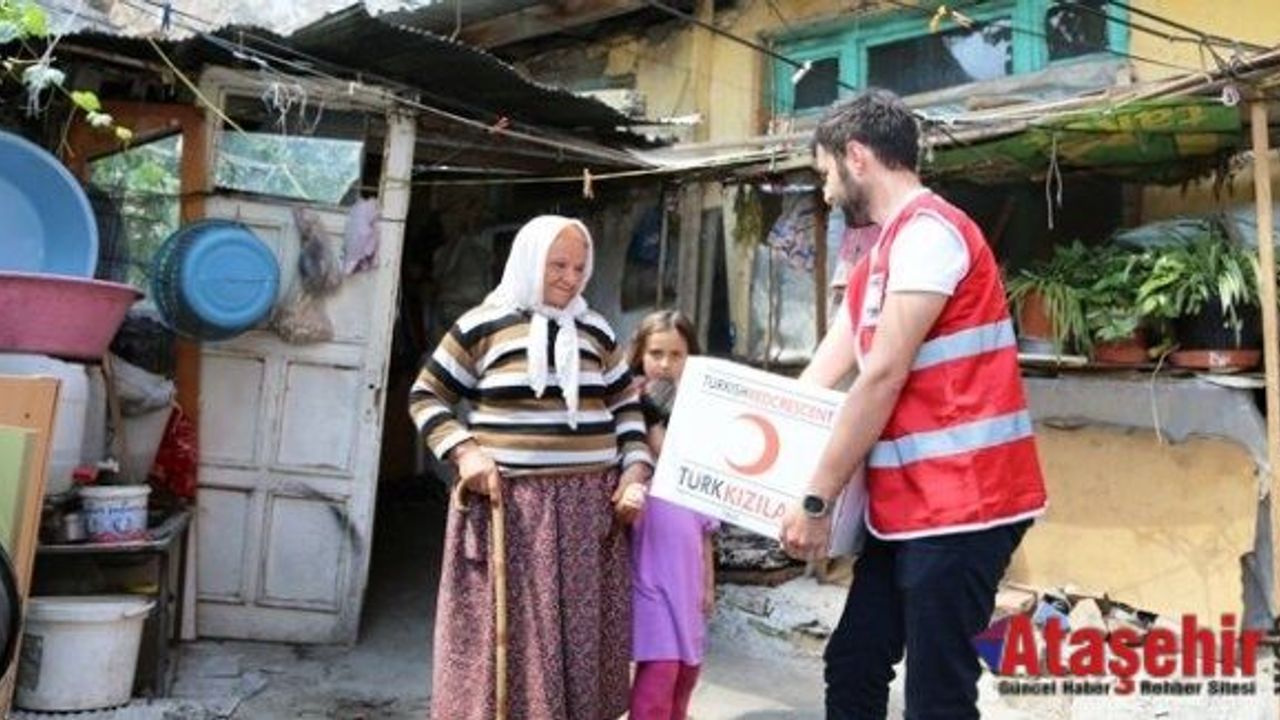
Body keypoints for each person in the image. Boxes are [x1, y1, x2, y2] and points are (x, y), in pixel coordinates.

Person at [779, 89, 1048, 720]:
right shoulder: (880, 254)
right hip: (908, 509)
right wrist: (756, 455)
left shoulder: (931, 234)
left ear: (856, 157)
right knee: (854, 661)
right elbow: (822, 372)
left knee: (937, 696)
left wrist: (816, 499)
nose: (825, 191)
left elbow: (881, 377)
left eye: (825, 175)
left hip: (967, 504)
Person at [411, 215, 652, 720]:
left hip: (589, 512)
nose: (569, 277)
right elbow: (426, 396)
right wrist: (466, 452)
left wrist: (634, 471)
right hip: (512, 510)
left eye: (579, 267)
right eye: (557, 265)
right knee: (513, 637)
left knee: (579, 638)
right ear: (527, 260)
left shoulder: (596, 330)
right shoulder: (483, 324)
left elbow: (628, 406)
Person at [626, 310, 718, 720]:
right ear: (640, 356)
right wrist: (649, 414)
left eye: (676, 355)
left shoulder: (702, 419)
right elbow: (659, 452)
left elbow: (706, 527)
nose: (665, 364)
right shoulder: (630, 411)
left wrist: (709, 582)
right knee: (659, 676)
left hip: (688, 574)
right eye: (656, 353)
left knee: (685, 676)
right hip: (648, 568)